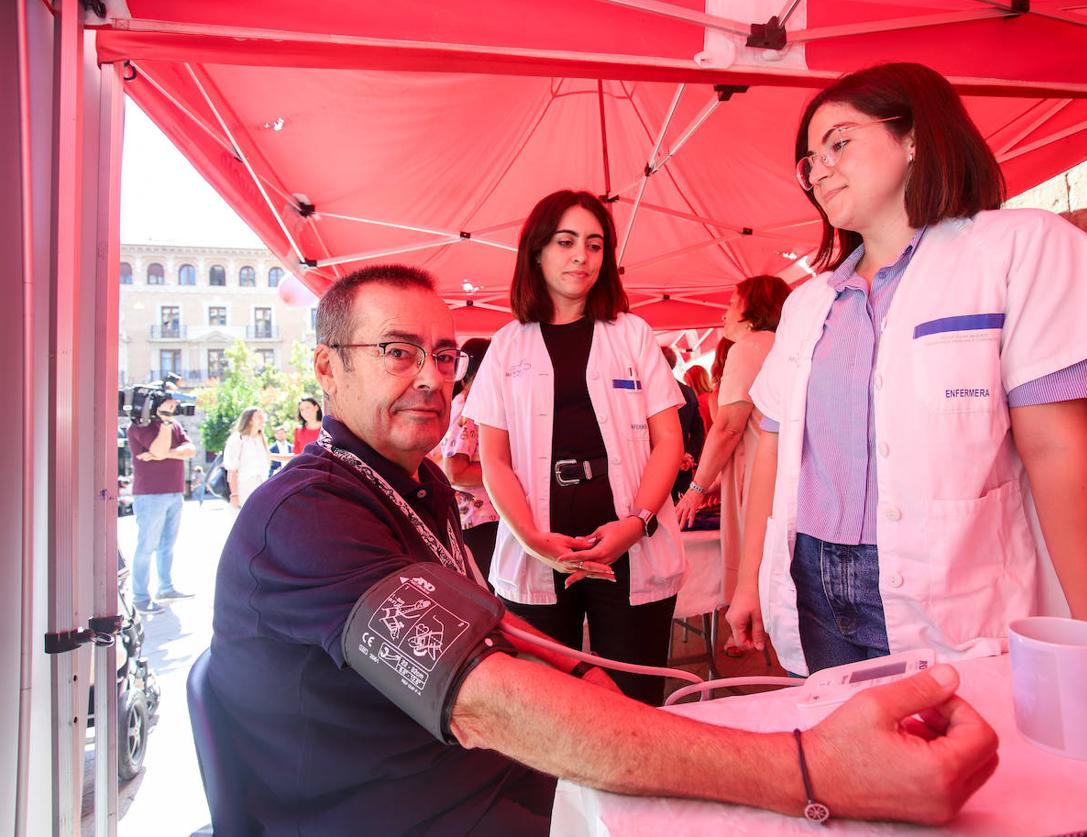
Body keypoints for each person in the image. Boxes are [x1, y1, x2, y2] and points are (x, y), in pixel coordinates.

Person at [208, 264, 1000, 833]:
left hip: (473, 778)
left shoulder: (421, 487)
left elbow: (480, 627)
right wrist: (809, 770)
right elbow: (485, 698)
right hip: (387, 807)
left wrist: (583, 668)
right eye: (397, 351)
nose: (430, 377)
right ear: (326, 366)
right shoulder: (305, 515)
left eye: (444, 355)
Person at [727, 63, 1087, 677]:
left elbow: (1057, 446)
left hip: (955, 583)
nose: (818, 168)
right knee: (848, 762)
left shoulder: (1019, 249)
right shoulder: (808, 303)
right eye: (808, 160)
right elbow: (772, 446)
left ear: (915, 139)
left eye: (838, 143)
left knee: (967, 756)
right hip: (813, 579)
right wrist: (748, 585)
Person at [465, 190, 686, 706]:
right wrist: (535, 539)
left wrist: (636, 524)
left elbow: (668, 441)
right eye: (566, 242)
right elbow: (493, 460)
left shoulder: (631, 334)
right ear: (537, 252)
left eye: (594, 244)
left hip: (631, 548)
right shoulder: (506, 345)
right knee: (547, 707)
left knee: (635, 704)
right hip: (538, 548)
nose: (581, 257)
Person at [675, 275, 790, 655]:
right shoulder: (785, 344)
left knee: (753, 562)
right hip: (785, 476)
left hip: (758, 475)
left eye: (731, 302)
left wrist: (696, 487)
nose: (724, 311)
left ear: (752, 309)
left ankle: (750, 628)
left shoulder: (749, 347)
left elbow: (727, 426)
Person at [126, 396, 197, 613]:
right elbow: (158, 448)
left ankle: (165, 588)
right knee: (147, 546)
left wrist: (164, 455)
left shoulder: (174, 425)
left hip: (174, 493)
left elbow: (191, 450)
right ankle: (140, 597)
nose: (173, 409)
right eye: (169, 405)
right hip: (150, 495)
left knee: (168, 545)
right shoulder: (140, 426)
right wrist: (165, 426)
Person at [441, 337, 501, 584]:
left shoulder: (474, 407)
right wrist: (505, 469)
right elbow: (456, 473)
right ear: (467, 377)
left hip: (484, 517)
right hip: (478, 521)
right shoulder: (467, 411)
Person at [662, 346, 706, 501]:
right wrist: (690, 454)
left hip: (658, 470)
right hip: (682, 467)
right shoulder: (688, 392)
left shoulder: (646, 393)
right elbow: (698, 431)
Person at [223, 407, 272, 510]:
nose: (263, 420)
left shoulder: (260, 439)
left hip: (261, 487)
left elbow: (268, 456)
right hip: (244, 488)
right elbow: (232, 469)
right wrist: (234, 495)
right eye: (259, 417)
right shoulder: (238, 439)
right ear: (249, 420)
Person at [683, 364, 714, 432]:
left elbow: (704, 430)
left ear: (693, 383)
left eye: (687, 383)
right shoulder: (715, 395)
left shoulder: (698, 403)